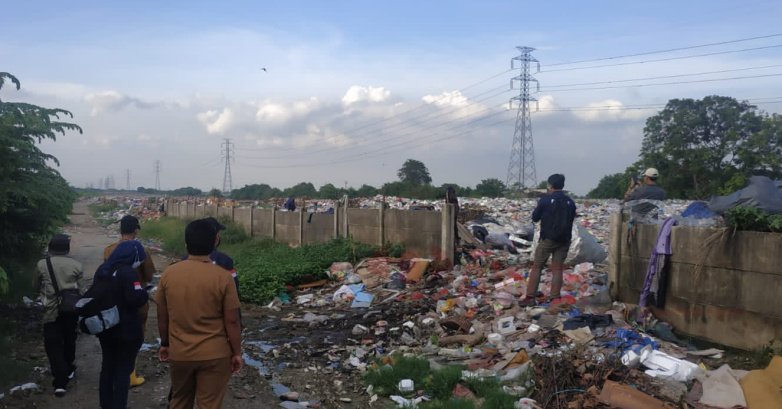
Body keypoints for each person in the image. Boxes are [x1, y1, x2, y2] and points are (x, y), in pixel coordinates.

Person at [157, 219, 243, 409]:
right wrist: (236, 352)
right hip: (215, 353)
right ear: (214, 242)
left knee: (179, 400)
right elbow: (232, 320)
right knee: (210, 404)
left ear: (186, 244)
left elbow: (163, 316)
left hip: (180, 353)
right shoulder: (223, 277)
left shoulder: (169, 274)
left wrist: (165, 344)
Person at [95, 240, 149, 409]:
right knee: (123, 370)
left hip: (106, 326)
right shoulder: (128, 272)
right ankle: (119, 405)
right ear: (133, 255)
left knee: (107, 366)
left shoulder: (102, 270)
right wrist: (144, 293)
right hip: (126, 328)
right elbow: (135, 299)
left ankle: (106, 404)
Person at [103, 214, 155, 387]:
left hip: (113, 302)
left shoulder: (109, 250)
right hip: (136, 303)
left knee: (114, 335)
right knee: (135, 338)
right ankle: (130, 375)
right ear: (136, 230)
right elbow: (148, 276)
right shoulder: (141, 251)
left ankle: (113, 372)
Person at [37, 234, 85, 397]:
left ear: (50, 249)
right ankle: (69, 366)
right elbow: (81, 290)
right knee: (69, 338)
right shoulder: (76, 265)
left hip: (50, 310)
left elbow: (36, 284)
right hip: (70, 310)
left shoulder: (42, 264)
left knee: (53, 344)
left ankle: (60, 381)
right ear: (67, 249)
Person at [521, 174, 577, 306]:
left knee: (537, 266)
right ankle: (555, 298)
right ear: (562, 185)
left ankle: (530, 297)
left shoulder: (545, 200)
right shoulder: (570, 202)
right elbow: (572, 218)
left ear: (550, 186)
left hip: (548, 239)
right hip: (564, 240)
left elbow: (535, 218)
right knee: (557, 269)